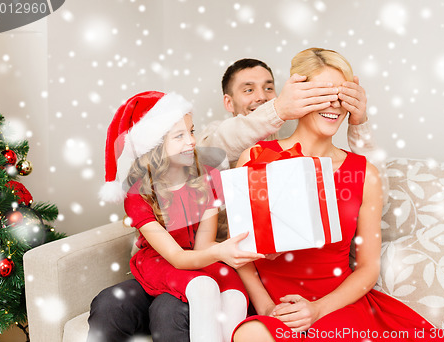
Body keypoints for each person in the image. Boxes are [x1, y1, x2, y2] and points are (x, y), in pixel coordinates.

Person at [88, 58, 386, 342]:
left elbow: (362, 176)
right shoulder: (211, 143)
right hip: (175, 263)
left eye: (269, 87)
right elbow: (223, 142)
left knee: (170, 310)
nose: (261, 97)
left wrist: (356, 121)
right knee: (109, 303)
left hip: (220, 263)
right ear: (228, 103)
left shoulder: (292, 139)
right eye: (248, 89)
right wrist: (277, 108)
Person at [231, 48, 444, 342]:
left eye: (342, 94)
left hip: (336, 305)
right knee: (250, 334)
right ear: (299, 95)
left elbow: (368, 268)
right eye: (322, 93)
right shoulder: (255, 158)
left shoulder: (364, 174)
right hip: (276, 308)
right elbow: (240, 251)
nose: (334, 104)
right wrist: (266, 305)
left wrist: (317, 310)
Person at [97, 91, 265, 342]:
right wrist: (220, 253)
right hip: (161, 261)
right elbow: (176, 257)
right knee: (203, 286)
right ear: (154, 147)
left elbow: (204, 246)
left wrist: (227, 251)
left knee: (235, 294)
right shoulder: (137, 195)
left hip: (200, 257)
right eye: (179, 136)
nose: (191, 142)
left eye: (192, 131)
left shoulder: (207, 178)